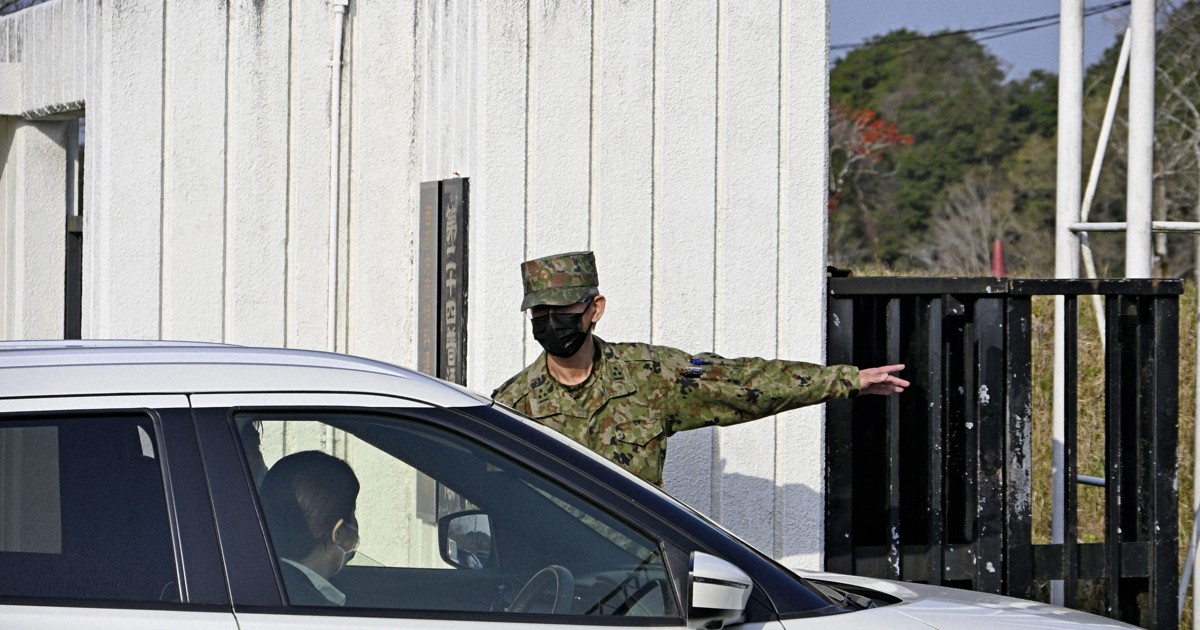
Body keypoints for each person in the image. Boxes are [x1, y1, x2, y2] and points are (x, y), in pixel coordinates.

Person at [492, 251, 908, 486]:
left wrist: (847, 381)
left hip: (636, 578)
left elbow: (744, 383)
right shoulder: (512, 406)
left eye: (562, 310)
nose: (550, 322)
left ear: (594, 309)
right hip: (551, 586)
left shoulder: (649, 376)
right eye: (540, 312)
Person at [259, 450, 361, 606]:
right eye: (353, 513)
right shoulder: (315, 609)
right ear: (338, 533)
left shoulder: (262, 584)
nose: (356, 523)